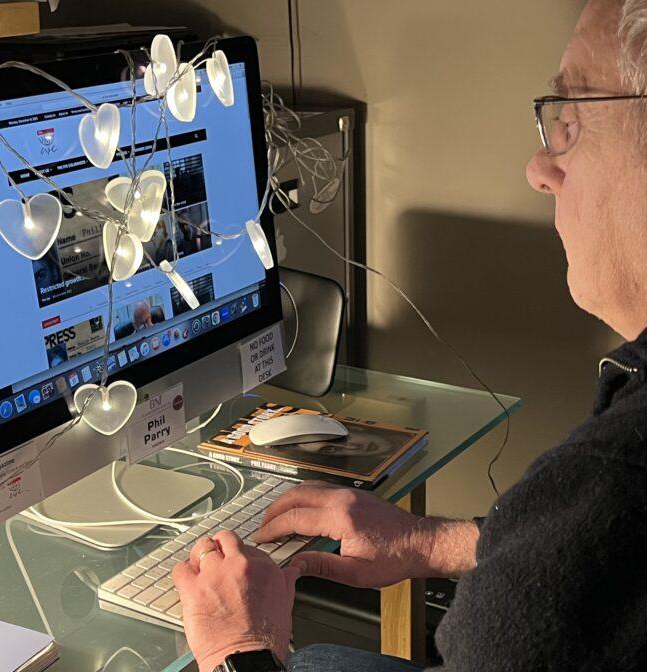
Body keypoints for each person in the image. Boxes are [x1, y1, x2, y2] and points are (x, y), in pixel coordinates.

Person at [172, 1, 647, 670]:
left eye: (571, 121)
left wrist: (235, 650)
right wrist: (426, 541)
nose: (539, 169)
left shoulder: (615, 482)